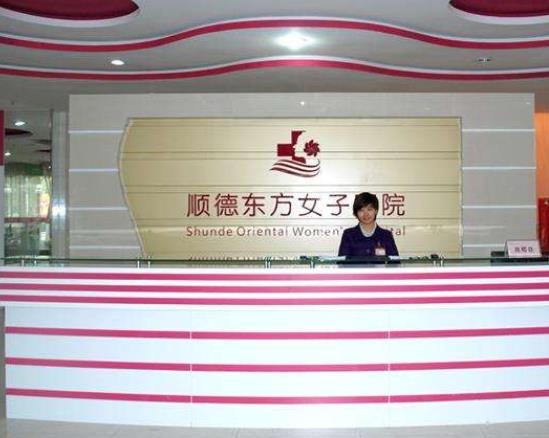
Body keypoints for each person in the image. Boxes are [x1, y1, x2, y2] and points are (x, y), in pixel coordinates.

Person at [338, 192, 399, 258]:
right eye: (361, 210)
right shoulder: (349, 235)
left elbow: (395, 262)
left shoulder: (386, 235)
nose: (366, 214)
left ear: (376, 211)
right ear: (356, 213)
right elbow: (342, 262)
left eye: (369, 209)